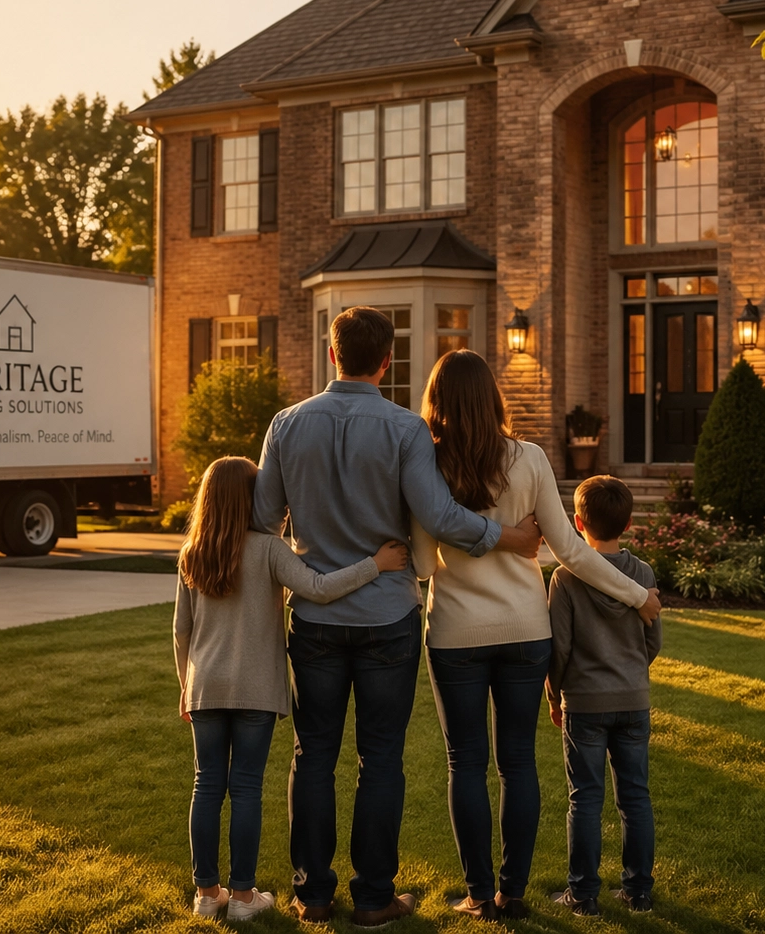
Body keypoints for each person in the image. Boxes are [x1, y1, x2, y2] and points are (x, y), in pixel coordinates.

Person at [254, 306, 544, 927]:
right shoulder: (405, 429)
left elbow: (262, 522)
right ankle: (375, 897)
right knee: (378, 758)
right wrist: (508, 537)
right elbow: (440, 520)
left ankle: (313, 895)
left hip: (315, 617)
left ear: (333, 355)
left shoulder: (286, 425)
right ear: (387, 361)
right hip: (387, 618)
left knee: (313, 755)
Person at [410, 349, 661, 921]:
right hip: (526, 630)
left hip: (455, 634)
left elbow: (423, 566)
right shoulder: (529, 458)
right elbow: (571, 551)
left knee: (465, 764)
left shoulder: (428, 464)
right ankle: (513, 891)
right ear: (493, 396)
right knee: (517, 762)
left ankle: (478, 896)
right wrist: (636, 595)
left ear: (437, 403)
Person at [174, 455, 411, 922]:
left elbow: (181, 631)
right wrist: (376, 565)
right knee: (244, 788)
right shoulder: (268, 549)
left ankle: (206, 895)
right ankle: (243, 899)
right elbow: (319, 588)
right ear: (252, 499)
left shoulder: (192, 552)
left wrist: (187, 686)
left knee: (206, 786)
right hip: (255, 689)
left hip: (204, 688)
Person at [547, 474, 662, 916]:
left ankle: (583, 894)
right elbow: (654, 642)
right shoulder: (644, 573)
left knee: (585, 798)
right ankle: (639, 891)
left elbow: (559, 648)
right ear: (629, 522)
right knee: (635, 797)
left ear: (577, 522)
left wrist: (555, 696)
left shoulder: (566, 577)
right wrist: (631, 673)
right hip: (633, 700)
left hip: (586, 704)